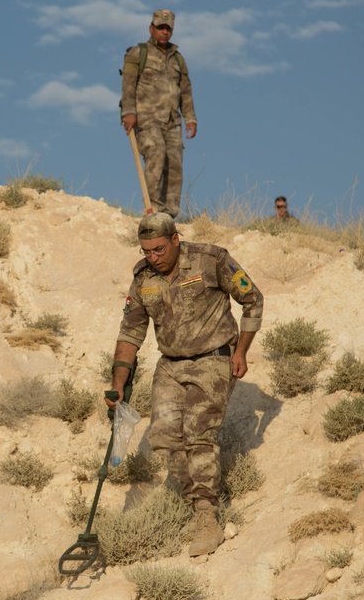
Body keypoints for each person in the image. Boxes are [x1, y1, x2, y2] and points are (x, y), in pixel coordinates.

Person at [105, 213, 263, 556]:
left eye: (159, 249)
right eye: (146, 251)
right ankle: (195, 503)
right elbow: (131, 331)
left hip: (213, 358)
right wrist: (118, 384)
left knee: (197, 431)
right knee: (162, 436)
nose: (153, 257)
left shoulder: (210, 260)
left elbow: (253, 300)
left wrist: (242, 351)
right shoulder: (143, 277)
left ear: (175, 240)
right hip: (171, 365)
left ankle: (207, 515)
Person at [120, 9, 197, 219]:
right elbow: (128, 85)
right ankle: (152, 208)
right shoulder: (139, 53)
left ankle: (169, 214)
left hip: (172, 121)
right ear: (151, 28)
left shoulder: (178, 60)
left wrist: (190, 118)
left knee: (174, 163)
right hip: (147, 119)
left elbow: (186, 91)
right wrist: (128, 112)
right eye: (160, 27)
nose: (164, 32)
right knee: (156, 152)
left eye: (168, 28)